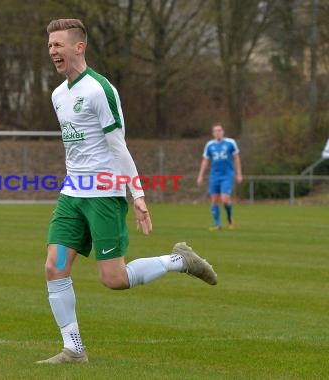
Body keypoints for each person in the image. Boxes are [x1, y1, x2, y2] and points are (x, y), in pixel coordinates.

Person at [37, 19, 217, 365]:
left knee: (114, 279)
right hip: (72, 196)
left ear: (79, 46)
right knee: (55, 266)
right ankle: (74, 349)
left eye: (58, 44)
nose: (52, 51)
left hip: (104, 196)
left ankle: (180, 260)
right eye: (49, 46)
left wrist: (137, 196)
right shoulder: (58, 95)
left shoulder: (100, 90)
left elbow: (118, 147)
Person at [197, 124, 243, 230]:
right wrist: (200, 175)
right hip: (214, 175)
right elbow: (205, 160)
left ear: (223, 132)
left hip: (227, 175)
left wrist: (239, 173)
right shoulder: (209, 145)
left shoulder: (231, 143)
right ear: (213, 133)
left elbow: (236, 158)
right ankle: (217, 224)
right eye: (215, 131)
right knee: (214, 200)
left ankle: (229, 218)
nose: (217, 132)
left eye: (219, 130)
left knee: (225, 199)